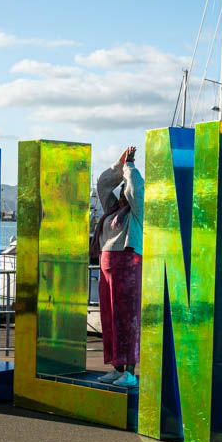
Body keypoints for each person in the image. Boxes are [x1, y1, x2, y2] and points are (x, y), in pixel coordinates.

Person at [94, 146, 143, 388]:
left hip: (127, 266)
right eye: (121, 189)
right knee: (110, 317)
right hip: (108, 269)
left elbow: (135, 190)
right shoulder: (111, 210)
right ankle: (116, 366)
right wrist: (119, 163)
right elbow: (102, 184)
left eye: (125, 189)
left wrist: (130, 167)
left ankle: (130, 371)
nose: (123, 193)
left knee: (128, 318)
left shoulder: (136, 214)